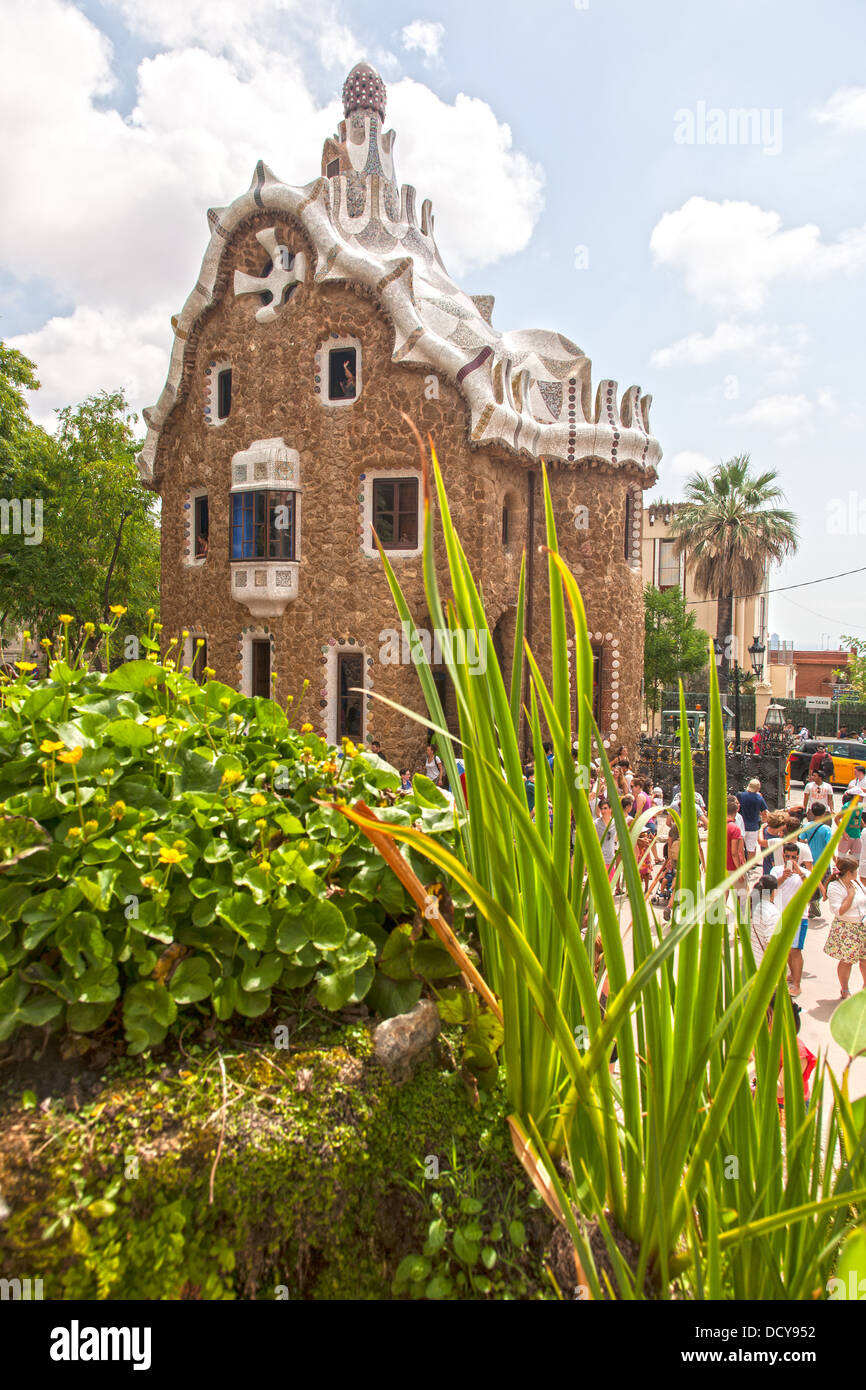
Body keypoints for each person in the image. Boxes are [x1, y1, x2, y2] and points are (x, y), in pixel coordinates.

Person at [824, 855, 866, 998]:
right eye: (855, 870)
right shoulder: (835, 886)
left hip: (862, 926)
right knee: (847, 961)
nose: (857, 873)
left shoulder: (857, 883)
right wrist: (850, 895)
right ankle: (845, 989)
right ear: (849, 873)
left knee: (864, 959)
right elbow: (840, 911)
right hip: (847, 928)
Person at [774, 843, 810, 995]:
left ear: (798, 857)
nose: (790, 859)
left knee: (795, 950)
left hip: (798, 917)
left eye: (793, 857)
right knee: (786, 950)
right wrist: (783, 877)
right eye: (787, 856)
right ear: (783, 856)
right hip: (779, 916)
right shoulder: (776, 870)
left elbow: (811, 890)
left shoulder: (805, 873)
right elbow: (771, 887)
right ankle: (792, 976)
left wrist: (799, 873)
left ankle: (797, 984)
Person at [800, 802, 833, 918]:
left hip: (809, 860)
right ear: (824, 814)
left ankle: (814, 901)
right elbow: (830, 846)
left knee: (813, 881)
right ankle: (816, 900)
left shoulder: (806, 826)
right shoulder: (826, 829)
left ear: (812, 813)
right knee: (824, 883)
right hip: (823, 862)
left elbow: (801, 840)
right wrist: (835, 860)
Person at [750, 874, 780, 967]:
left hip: (749, 963)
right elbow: (771, 944)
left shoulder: (751, 906)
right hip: (762, 967)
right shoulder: (773, 913)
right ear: (774, 892)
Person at [737, 778, 769, 856]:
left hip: (740, 825)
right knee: (751, 848)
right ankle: (750, 866)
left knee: (739, 848)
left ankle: (740, 865)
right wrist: (765, 823)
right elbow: (764, 812)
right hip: (753, 827)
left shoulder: (740, 795)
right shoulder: (759, 798)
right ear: (758, 788)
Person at [726, 795, 747, 912]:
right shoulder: (734, 828)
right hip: (733, 867)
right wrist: (740, 870)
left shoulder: (717, 825)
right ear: (736, 810)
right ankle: (741, 924)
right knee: (742, 896)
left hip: (722, 866)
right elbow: (735, 852)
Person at [837, 789, 863, 860]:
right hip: (847, 835)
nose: (863, 798)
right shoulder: (846, 806)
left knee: (857, 858)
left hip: (857, 835)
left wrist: (864, 827)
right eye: (861, 796)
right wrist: (844, 833)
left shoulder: (860, 806)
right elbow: (837, 819)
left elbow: (859, 817)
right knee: (841, 857)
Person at [593, 798, 618, 874]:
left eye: (605, 808)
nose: (603, 811)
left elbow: (617, 838)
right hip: (599, 858)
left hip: (611, 858)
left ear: (611, 809)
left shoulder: (615, 823)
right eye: (601, 809)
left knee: (610, 884)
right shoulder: (596, 823)